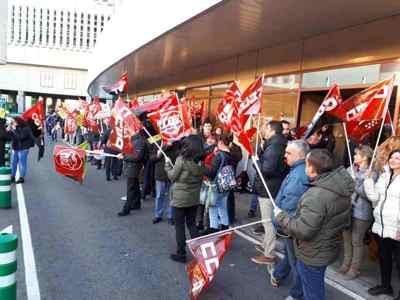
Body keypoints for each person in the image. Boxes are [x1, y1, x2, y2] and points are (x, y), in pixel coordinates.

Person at [275, 149, 354, 300]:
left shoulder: (316, 195)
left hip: (313, 251)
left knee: (313, 291)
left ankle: (298, 294)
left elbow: (303, 230)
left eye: (306, 164)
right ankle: (297, 294)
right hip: (327, 245)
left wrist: (281, 217)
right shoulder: (339, 186)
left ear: (311, 168)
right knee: (309, 279)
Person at [270, 140, 310, 299]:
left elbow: (290, 204)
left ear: (300, 155)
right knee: (290, 253)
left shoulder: (299, 175)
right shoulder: (297, 170)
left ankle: (297, 293)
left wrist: (278, 222)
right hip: (291, 224)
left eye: (288, 153)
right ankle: (278, 274)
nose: (284, 155)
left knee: (296, 262)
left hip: (290, 225)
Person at [364, 149, 400, 299]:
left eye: (398, 158)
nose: (394, 160)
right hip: (381, 225)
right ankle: (386, 286)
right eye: (392, 157)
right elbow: (374, 198)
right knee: (384, 258)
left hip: (397, 228)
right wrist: (368, 181)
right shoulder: (384, 176)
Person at [251, 120, 288, 264]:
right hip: (272, 186)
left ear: (270, 129)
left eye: (264, 128)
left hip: (269, 188)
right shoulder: (275, 144)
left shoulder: (275, 146)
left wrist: (256, 161)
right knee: (266, 220)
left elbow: (267, 169)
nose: (262, 130)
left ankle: (269, 254)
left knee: (268, 222)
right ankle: (266, 245)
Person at [165, 137, 206, 263]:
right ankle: (200, 251)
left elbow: (172, 176)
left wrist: (167, 165)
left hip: (179, 200)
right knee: (192, 224)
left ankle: (181, 253)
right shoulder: (200, 163)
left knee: (180, 227)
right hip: (193, 198)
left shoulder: (181, 160)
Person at [338, 145, 375, 280]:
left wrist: (355, 183)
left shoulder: (372, 172)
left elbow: (368, 195)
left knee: (356, 241)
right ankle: (346, 263)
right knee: (346, 239)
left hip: (362, 212)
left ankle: (354, 268)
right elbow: (342, 187)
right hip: (347, 208)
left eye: (357, 155)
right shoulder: (351, 169)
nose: (354, 157)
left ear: (365, 157)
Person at [203, 134, 236, 234]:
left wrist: (202, 168)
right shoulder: (230, 155)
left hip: (217, 185)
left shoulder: (219, 156)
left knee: (213, 206)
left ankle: (214, 228)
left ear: (220, 143)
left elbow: (212, 173)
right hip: (226, 185)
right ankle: (225, 227)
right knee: (222, 206)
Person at [117, 129, 148, 216]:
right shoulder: (133, 140)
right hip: (131, 167)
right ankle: (136, 203)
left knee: (130, 189)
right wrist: (123, 155)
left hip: (134, 168)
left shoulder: (139, 141)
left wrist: (124, 157)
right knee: (135, 186)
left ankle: (126, 209)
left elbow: (137, 157)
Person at [150, 141, 180, 225]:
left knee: (172, 196)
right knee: (159, 195)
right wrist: (160, 152)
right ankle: (158, 215)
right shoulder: (158, 143)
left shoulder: (177, 143)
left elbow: (179, 157)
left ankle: (170, 216)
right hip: (160, 175)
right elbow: (152, 159)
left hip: (172, 174)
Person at [9, 117, 35, 184]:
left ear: (18, 121)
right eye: (12, 122)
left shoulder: (26, 128)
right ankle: (12, 176)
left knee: (22, 163)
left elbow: (20, 137)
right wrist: (9, 130)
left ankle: (21, 178)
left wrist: (14, 130)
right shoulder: (14, 128)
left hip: (23, 148)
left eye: (13, 121)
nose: (13, 123)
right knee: (13, 162)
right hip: (15, 148)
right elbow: (11, 137)